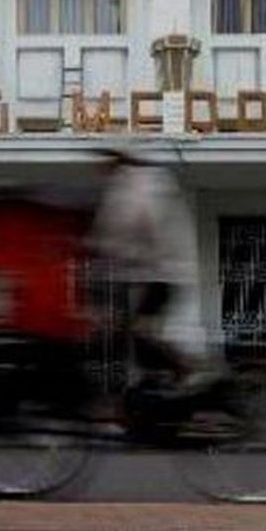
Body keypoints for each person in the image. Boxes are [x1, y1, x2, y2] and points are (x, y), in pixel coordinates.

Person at [89, 151, 201, 388]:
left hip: (162, 273)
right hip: (145, 273)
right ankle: (158, 376)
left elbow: (138, 223)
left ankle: (185, 368)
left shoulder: (144, 184)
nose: (99, 169)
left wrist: (117, 249)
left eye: (105, 163)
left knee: (139, 330)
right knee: (130, 331)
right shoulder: (127, 185)